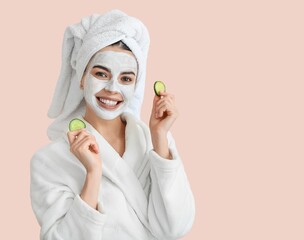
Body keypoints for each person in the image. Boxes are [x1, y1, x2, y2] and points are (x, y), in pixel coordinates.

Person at [30, 10, 195, 240]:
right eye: (101, 73)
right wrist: (93, 174)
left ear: (135, 84)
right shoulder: (49, 161)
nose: (113, 89)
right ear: (82, 77)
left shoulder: (156, 143)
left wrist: (159, 138)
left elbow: (175, 228)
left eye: (126, 78)